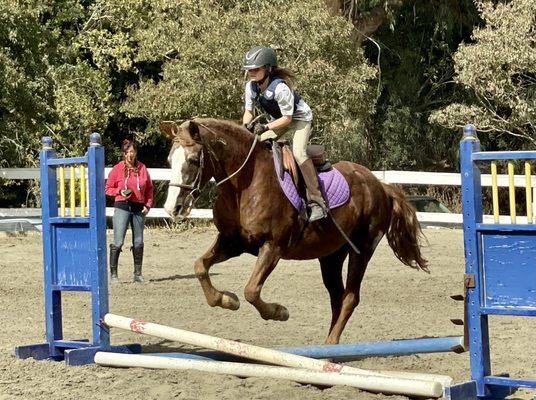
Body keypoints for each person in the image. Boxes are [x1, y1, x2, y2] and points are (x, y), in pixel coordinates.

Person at [241, 45, 327, 222]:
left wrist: (265, 127)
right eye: (249, 69)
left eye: (255, 69)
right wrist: (245, 128)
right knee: (255, 144)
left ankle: (317, 201)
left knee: (298, 153)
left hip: (299, 119)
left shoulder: (280, 88)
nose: (251, 72)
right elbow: (248, 112)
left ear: (268, 68)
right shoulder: (251, 87)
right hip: (278, 119)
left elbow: (288, 119)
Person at [105, 139, 154, 283]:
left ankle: (137, 274)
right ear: (124, 154)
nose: (130, 155)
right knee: (118, 241)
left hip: (139, 208)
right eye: (127, 152)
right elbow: (107, 188)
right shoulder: (117, 169)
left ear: (136, 153)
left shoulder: (142, 168)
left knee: (138, 242)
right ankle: (114, 275)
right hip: (122, 206)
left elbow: (150, 188)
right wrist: (120, 191)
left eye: (132, 152)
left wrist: (148, 204)